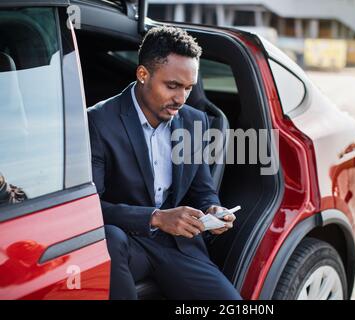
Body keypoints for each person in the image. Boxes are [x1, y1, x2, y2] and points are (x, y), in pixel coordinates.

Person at [87, 26, 242, 300]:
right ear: (143, 74)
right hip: (125, 242)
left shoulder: (195, 121)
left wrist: (212, 210)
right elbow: (88, 209)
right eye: (172, 86)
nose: (181, 99)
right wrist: (156, 218)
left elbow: (202, 189)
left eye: (188, 88)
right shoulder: (99, 121)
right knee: (109, 237)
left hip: (178, 246)